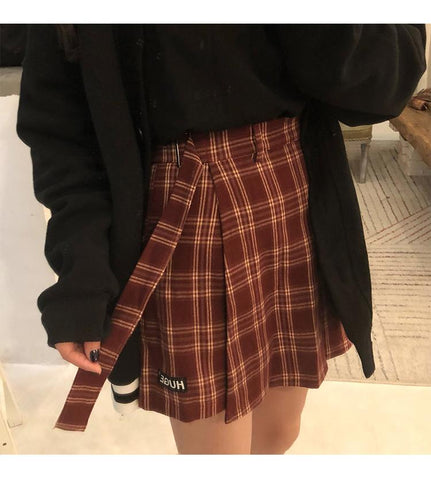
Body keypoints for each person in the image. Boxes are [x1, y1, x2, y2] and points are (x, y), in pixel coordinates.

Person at [16, 24, 426, 454]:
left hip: (290, 177)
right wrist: (80, 272)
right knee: (216, 451)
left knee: (278, 433)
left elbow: (381, 86)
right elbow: (61, 123)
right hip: (184, 204)